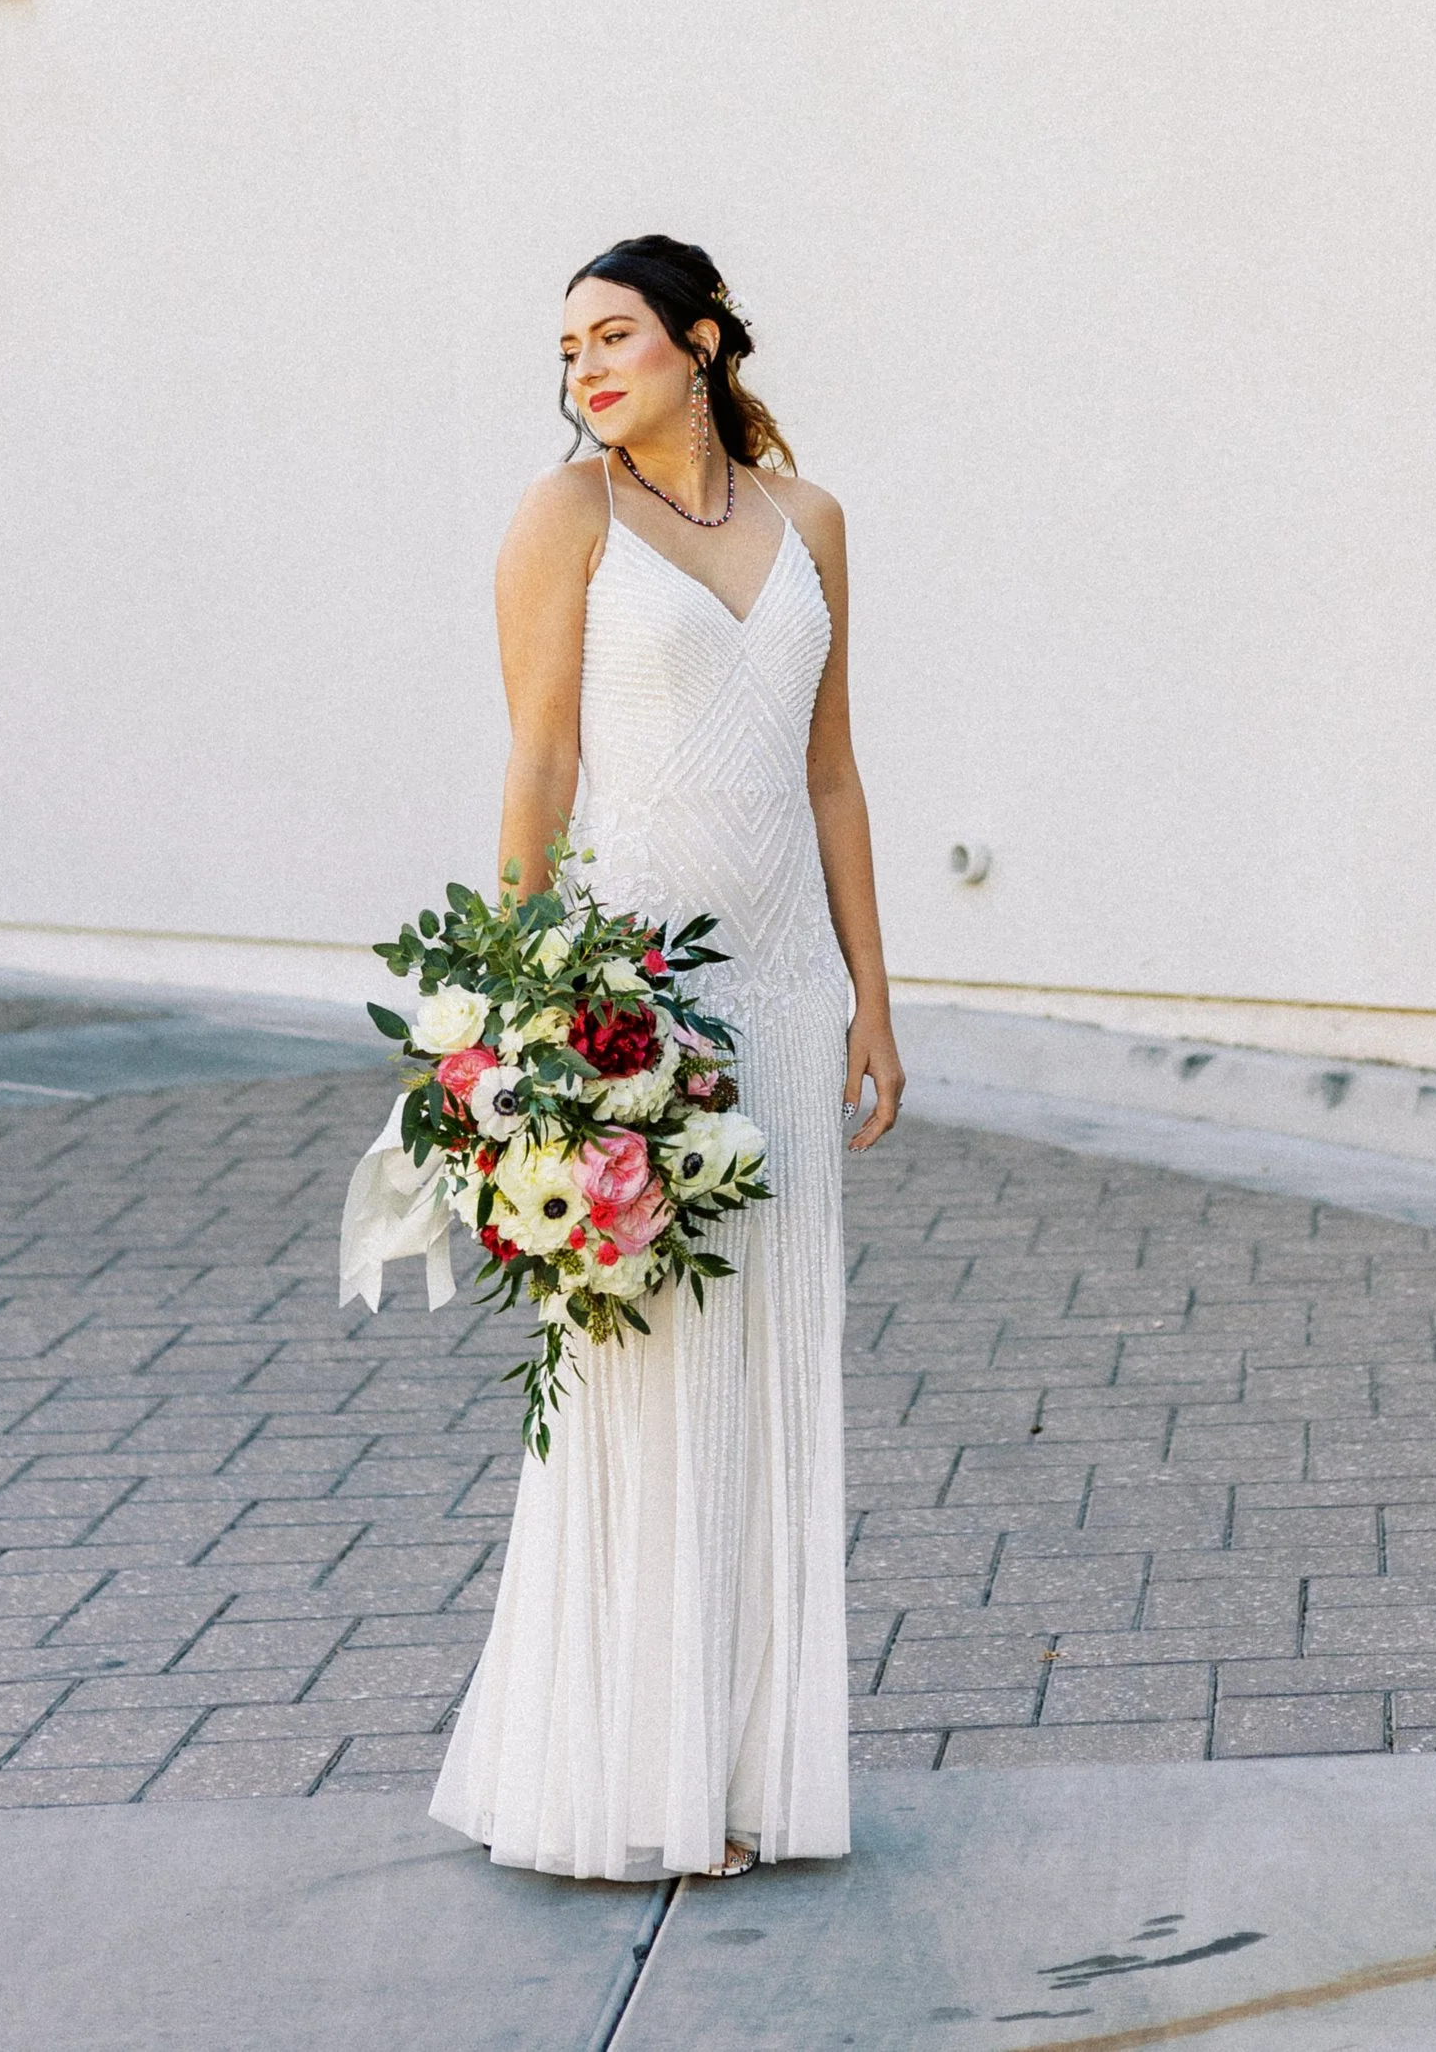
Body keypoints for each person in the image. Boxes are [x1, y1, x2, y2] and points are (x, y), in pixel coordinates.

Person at [429, 234, 904, 1881]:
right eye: (566, 348)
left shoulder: (814, 520)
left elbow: (832, 776)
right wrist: (528, 1005)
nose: (585, 367)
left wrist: (872, 997)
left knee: (768, 1370)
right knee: (644, 1382)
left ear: (701, 338)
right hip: (633, 1000)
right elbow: (539, 758)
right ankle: (627, 1778)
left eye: (613, 332)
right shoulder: (565, 517)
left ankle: (749, 1770)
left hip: (776, 1000)